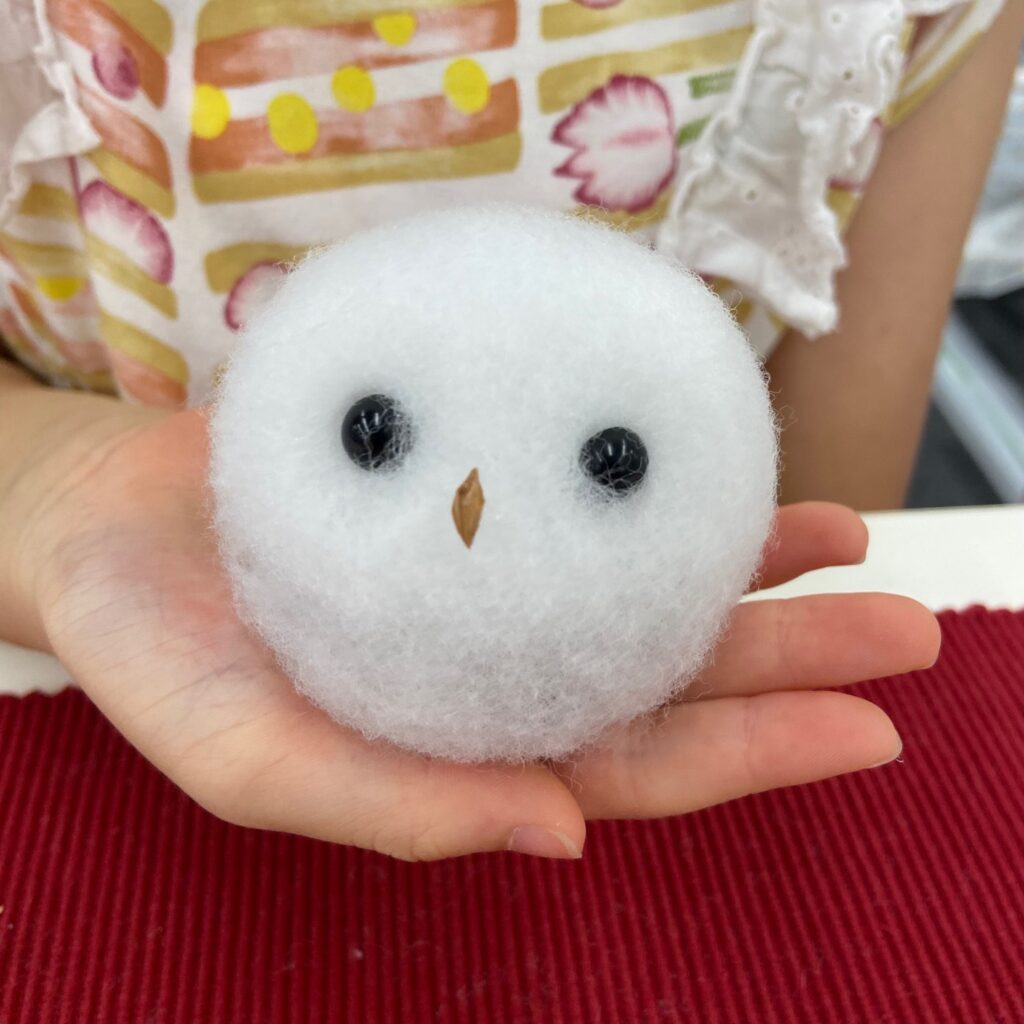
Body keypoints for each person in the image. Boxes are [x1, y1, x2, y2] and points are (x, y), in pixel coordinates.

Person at [0, 0, 1020, 862]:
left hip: (671, 836)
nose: (474, 500)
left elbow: (842, 496)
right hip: (74, 729)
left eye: (612, 462)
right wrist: (46, 481)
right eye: (372, 434)